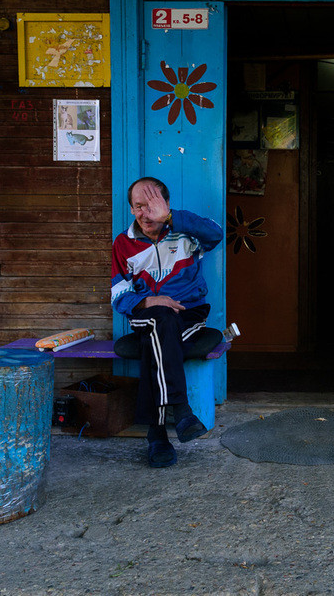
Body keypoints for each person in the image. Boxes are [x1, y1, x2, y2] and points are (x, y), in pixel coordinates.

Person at [111, 177, 223, 467]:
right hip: (146, 314)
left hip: (187, 313)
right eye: (138, 206)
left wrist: (171, 218)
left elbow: (216, 234)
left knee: (155, 342)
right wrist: (149, 301)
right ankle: (181, 410)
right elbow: (119, 295)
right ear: (131, 209)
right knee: (159, 318)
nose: (145, 213)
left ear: (166, 204)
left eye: (152, 205)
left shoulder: (186, 233)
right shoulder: (123, 244)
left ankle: (157, 433)